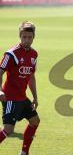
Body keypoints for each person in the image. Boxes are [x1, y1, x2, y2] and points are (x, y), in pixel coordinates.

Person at [0, 21, 40, 155]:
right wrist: (0, 90)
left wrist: (35, 96)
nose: (27, 40)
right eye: (24, 37)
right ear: (20, 36)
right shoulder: (11, 54)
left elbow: (31, 77)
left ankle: (24, 153)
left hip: (22, 97)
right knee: (8, 130)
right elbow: (0, 72)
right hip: (10, 97)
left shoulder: (34, 54)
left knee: (35, 121)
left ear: (33, 37)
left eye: (29, 37)